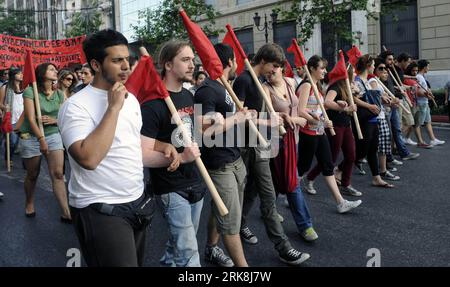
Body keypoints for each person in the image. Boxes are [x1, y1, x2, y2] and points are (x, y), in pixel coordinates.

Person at [58, 29, 152, 267]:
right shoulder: (75, 106)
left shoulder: (131, 100)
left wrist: (169, 150)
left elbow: (130, 144)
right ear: (96, 65)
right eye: (117, 60)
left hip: (136, 202)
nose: (126, 66)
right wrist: (112, 109)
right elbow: (88, 158)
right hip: (99, 209)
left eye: (127, 59)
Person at [233, 43, 310, 266]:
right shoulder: (244, 80)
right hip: (247, 146)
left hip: (263, 143)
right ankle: (281, 246)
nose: (274, 70)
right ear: (263, 60)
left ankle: (245, 228)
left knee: (257, 192)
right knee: (259, 194)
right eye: (273, 66)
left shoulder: (262, 82)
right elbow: (237, 116)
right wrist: (268, 121)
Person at [140, 40, 206, 267]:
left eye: (193, 59)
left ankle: (169, 262)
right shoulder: (152, 105)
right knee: (188, 251)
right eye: (185, 60)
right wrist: (182, 157)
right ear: (168, 64)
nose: (192, 65)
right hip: (171, 187)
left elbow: (197, 136)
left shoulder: (189, 96)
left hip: (196, 180)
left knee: (183, 242)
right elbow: (143, 154)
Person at [195, 43, 255, 267]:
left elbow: (230, 120)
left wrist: (245, 115)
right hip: (220, 164)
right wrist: (235, 120)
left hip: (235, 159)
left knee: (221, 210)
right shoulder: (207, 90)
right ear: (230, 62)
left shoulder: (224, 87)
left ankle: (211, 248)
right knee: (230, 221)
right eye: (236, 60)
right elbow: (203, 132)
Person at [262, 58, 318, 242]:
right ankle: (305, 225)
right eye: (268, 71)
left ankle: (267, 210)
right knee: (292, 183)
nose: (270, 74)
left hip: (293, 138)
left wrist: (308, 116)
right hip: (277, 141)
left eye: (274, 69)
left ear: (281, 68)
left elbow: (297, 107)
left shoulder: (290, 82)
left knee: (277, 181)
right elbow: (271, 118)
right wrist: (296, 121)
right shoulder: (265, 89)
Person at [297, 55, 363, 209]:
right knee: (302, 167)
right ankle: (289, 192)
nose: (325, 71)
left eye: (325, 68)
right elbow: (300, 110)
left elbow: (319, 107)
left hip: (319, 132)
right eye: (322, 68)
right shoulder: (307, 85)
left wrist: (338, 105)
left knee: (327, 164)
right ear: (312, 68)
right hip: (308, 133)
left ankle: (341, 203)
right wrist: (319, 121)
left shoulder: (317, 85)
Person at [18, 62, 71, 221]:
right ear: (42, 73)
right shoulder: (30, 91)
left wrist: (55, 120)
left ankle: (65, 211)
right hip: (31, 135)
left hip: (53, 134)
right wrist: (41, 139)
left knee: (57, 174)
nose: (56, 71)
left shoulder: (60, 94)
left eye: (56, 69)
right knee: (33, 174)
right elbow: (30, 118)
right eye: (51, 69)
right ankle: (29, 202)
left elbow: (64, 117)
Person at [353, 55, 394, 188]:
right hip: (365, 119)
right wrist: (369, 106)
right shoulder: (357, 81)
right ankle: (340, 169)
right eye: (373, 65)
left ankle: (376, 177)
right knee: (362, 149)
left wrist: (383, 99)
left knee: (372, 149)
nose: (374, 67)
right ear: (368, 66)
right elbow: (353, 99)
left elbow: (372, 98)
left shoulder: (366, 80)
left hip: (373, 118)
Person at [379, 50, 419, 162]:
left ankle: (402, 153)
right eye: (390, 59)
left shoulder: (390, 71)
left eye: (392, 59)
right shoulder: (383, 72)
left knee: (396, 129)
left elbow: (394, 85)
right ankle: (389, 157)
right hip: (388, 105)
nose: (392, 61)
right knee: (389, 132)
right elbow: (382, 89)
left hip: (394, 103)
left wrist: (401, 88)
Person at [368, 59, 400, 181]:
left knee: (385, 143)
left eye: (384, 68)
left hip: (381, 115)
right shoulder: (373, 81)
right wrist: (391, 101)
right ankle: (381, 170)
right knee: (379, 145)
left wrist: (392, 102)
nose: (383, 71)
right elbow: (377, 99)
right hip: (377, 117)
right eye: (380, 68)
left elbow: (384, 99)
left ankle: (383, 170)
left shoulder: (378, 82)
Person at [414, 60, 445, 146]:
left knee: (428, 121)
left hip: (424, 102)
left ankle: (433, 139)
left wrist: (428, 94)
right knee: (418, 123)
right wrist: (426, 95)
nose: (428, 68)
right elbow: (417, 91)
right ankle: (410, 139)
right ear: (424, 67)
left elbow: (424, 90)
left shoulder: (422, 77)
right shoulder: (419, 77)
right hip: (421, 103)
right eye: (428, 66)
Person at [0, 67, 24, 161]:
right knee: (13, 142)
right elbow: (0, 103)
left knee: (24, 144)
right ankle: (8, 157)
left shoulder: (24, 87)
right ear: (13, 76)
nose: (21, 75)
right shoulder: (5, 87)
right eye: (19, 73)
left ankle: (27, 164)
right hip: (12, 120)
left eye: (22, 73)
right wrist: (4, 107)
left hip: (23, 119)